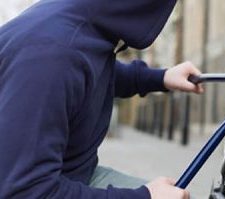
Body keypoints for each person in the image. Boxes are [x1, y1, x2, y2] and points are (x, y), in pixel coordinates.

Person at [0, 0, 202, 198]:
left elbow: (89, 71)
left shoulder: (80, 19)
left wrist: (161, 78)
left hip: (70, 173)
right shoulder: (49, 55)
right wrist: (144, 196)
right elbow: (26, 190)